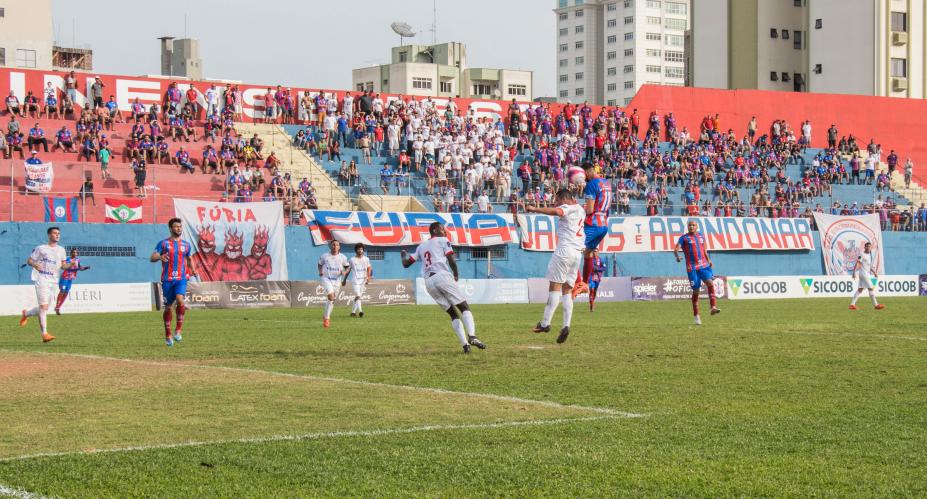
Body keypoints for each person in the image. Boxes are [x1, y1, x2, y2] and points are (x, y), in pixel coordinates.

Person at [401, 222, 486, 353]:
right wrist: (456, 273)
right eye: (442, 229)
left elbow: (406, 264)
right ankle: (472, 337)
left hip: (429, 282)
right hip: (442, 276)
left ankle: (465, 346)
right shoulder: (443, 240)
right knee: (464, 307)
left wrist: (403, 256)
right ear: (435, 230)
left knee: (453, 313)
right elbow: (451, 259)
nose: (445, 231)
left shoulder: (421, 247)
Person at [527, 189, 584, 344]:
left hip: (565, 250)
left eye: (557, 200)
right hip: (577, 253)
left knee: (555, 288)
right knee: (567, 291)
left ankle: (545, 323)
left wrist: (534, 209)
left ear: (563, 199)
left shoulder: (567, 207)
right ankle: (566, 325)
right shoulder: (580, 209)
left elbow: (558, 211)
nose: (556, 203)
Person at [20, 227, 74, 342]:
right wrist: (35, 265)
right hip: (42, 279)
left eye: (59, 233)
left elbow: (63, 266)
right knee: (44, 307)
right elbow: (29, 261)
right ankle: (44, 334)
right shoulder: (41, 248)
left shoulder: (61, 250)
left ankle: (26, 313)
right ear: (49, 235)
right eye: (55, 233)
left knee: (45, 307)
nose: (57, 235)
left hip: (54, 281)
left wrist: (70, 265)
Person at [151, 218, 197, 346]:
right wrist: (160, 256)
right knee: (168, 308)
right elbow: (152, 257)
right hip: (167, 280)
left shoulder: (186, 245)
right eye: (176, 227)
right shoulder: (163, 243)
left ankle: (178, 330)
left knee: (180, 300)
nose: (179, 228)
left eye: (180, 227)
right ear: (171, 229)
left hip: (181, 278)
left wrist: (193, 269)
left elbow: (189, 258)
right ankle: (168, 334)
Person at [572, 162, 612, 298]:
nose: (584, 179)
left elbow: (589, 210)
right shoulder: (606, 183)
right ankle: (585, 283)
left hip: (593, 223)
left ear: (588, 172)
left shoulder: (591, 184)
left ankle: (579, 283)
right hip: (604, 224)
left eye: (584, 176)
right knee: (588, 252)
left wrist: (577, 209)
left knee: (573, 249)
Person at [674, 220, 721, 325]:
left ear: (697, 226)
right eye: (689, 225)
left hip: (704, 265)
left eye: (693, 225)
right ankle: (696, 315)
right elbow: (676, 249)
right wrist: (677, 257)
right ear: (687, 227)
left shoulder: (701, 236)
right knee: (696, 291)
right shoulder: (684, 238)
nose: (691, 227)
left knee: (710, 283)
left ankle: (713, 307)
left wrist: (708, 260)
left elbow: (704, 249)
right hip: (692, 268)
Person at [318, 240, 350, 328]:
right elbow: (320, 264)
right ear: (330, 246)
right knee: (331, 297)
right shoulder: (325, 256)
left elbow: (348, 267)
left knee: (331, 300)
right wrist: (320, 271)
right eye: (333, 245)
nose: (335, 246)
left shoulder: (343, 257)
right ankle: (327, 319)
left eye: (337, 245)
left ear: (339, 247)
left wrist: (345, 272)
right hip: (326, 279)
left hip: (337, 281)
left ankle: (325, 316)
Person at [849, 242, 886, 311]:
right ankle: (876, 305)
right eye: (867, 246)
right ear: (864, 247)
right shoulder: (862, 254)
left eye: (869, 246)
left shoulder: (869, 255)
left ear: (871, 247)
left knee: (860, 289)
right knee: (871, 288)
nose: (868, 248)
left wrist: (874, 272)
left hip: (865, 274)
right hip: (864, 274)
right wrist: (854, 272)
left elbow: (869, 266)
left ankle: (852, 305)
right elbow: (858, 263)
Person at [54, 248, 90, 314]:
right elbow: (65, 267)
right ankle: (57, 306)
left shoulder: (78, 260)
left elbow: (80, 268)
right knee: (62, 291)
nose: (75, 254)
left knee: (66, 293)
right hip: (65, 277)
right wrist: (71, 265)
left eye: (76, 252)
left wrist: (85, 268)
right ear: (71, 253)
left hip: (70, 279)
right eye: (73, 252)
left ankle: (58, 307)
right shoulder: (68, 259)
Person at [343, 243, 372, 318]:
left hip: (363, 280)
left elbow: (369, 268)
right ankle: (361, 311)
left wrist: (368, 277)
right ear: (356, 250)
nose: (360, 250)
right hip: (355, 280)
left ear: (363, 250)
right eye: (359, 249)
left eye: (361, 249)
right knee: (358, 296)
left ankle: (353, 312)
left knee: (358, 297)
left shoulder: (366, 259)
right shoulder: (352, 260)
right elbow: (348, 270)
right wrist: (344, 280)